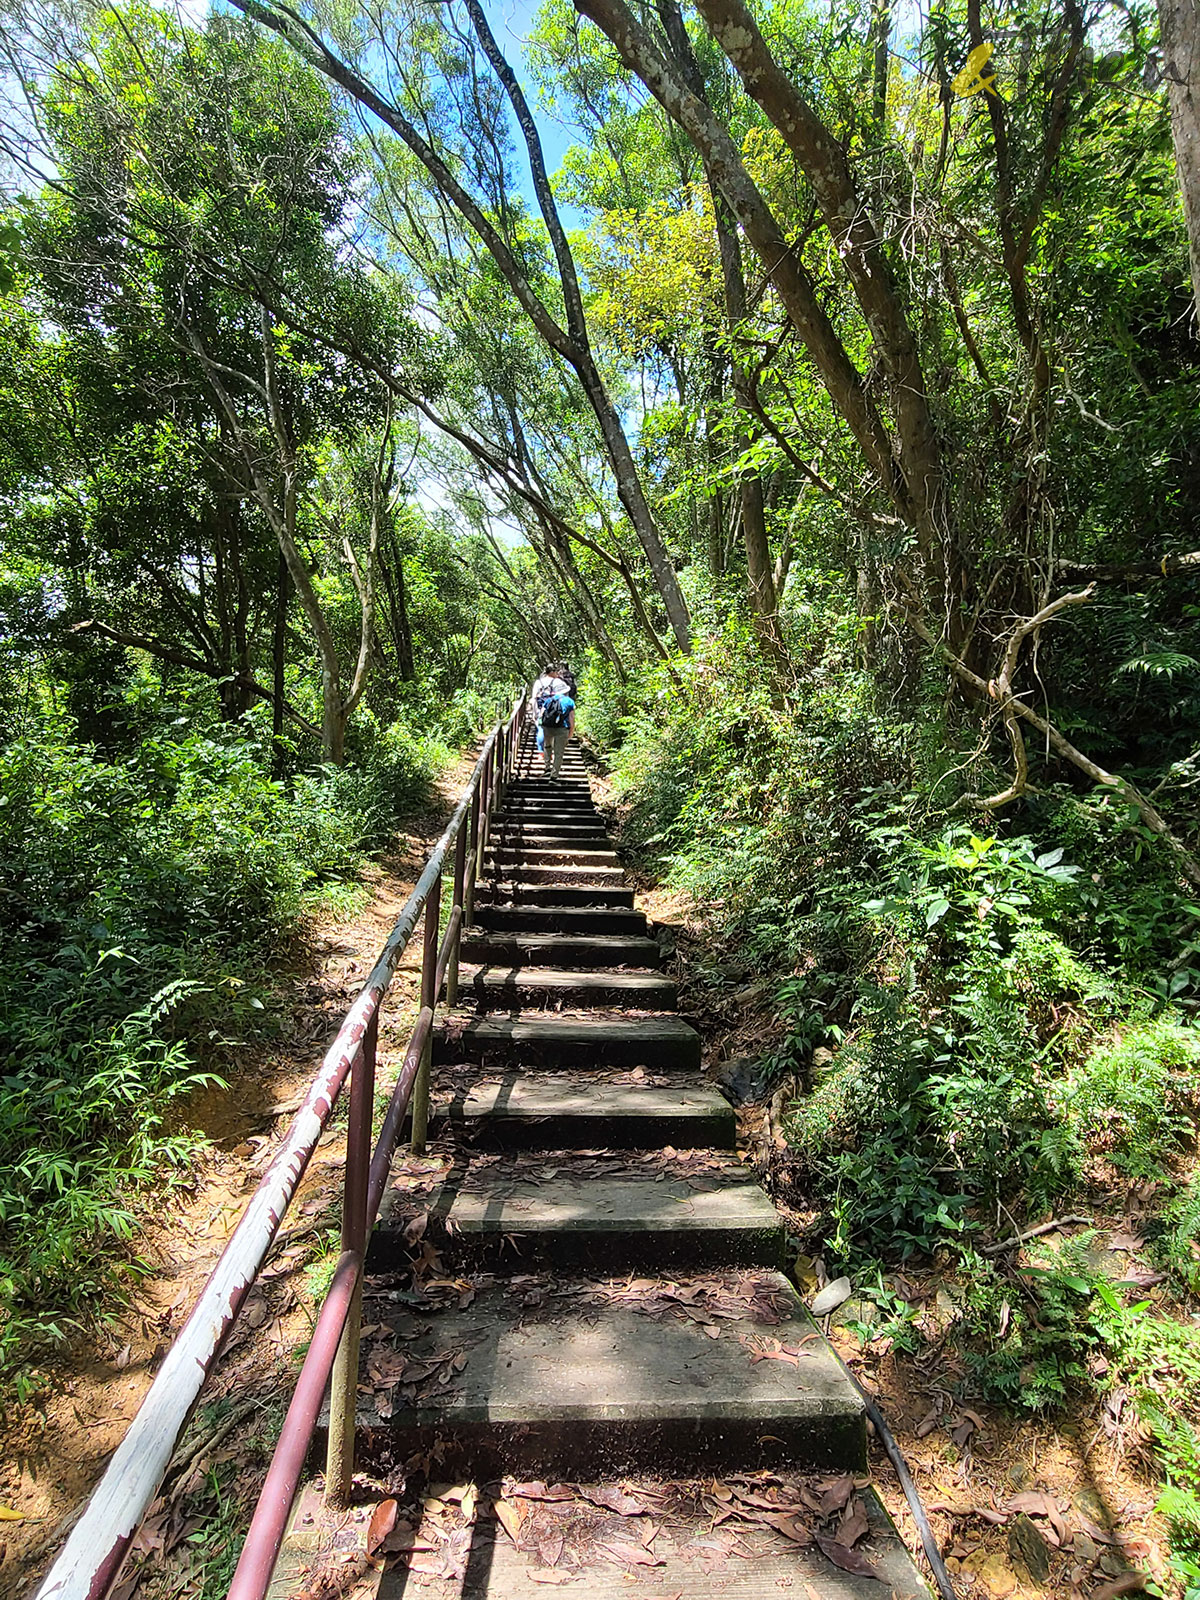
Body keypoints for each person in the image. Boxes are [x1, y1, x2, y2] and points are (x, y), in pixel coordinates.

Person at [539, 678, 575, 779]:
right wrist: (570, 733)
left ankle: (547, 767)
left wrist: (542, 726)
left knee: (547, 746)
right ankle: (554, 776)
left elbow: (542, 714)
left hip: (548, 727)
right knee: (559, 752)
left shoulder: (549, 700)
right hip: (562, 729)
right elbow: (572, 718)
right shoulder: (569, 702)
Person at [530, 664, 564, 754]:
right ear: (552, 672)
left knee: (541, 729)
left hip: (540, 710)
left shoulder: (538, 682)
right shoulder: (558, 682)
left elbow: (534, 699)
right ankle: (551, 753)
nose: (557, 674)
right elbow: (564, 697)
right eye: (556, 672)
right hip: (555, 711)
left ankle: (541, 753)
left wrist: (534, 713)